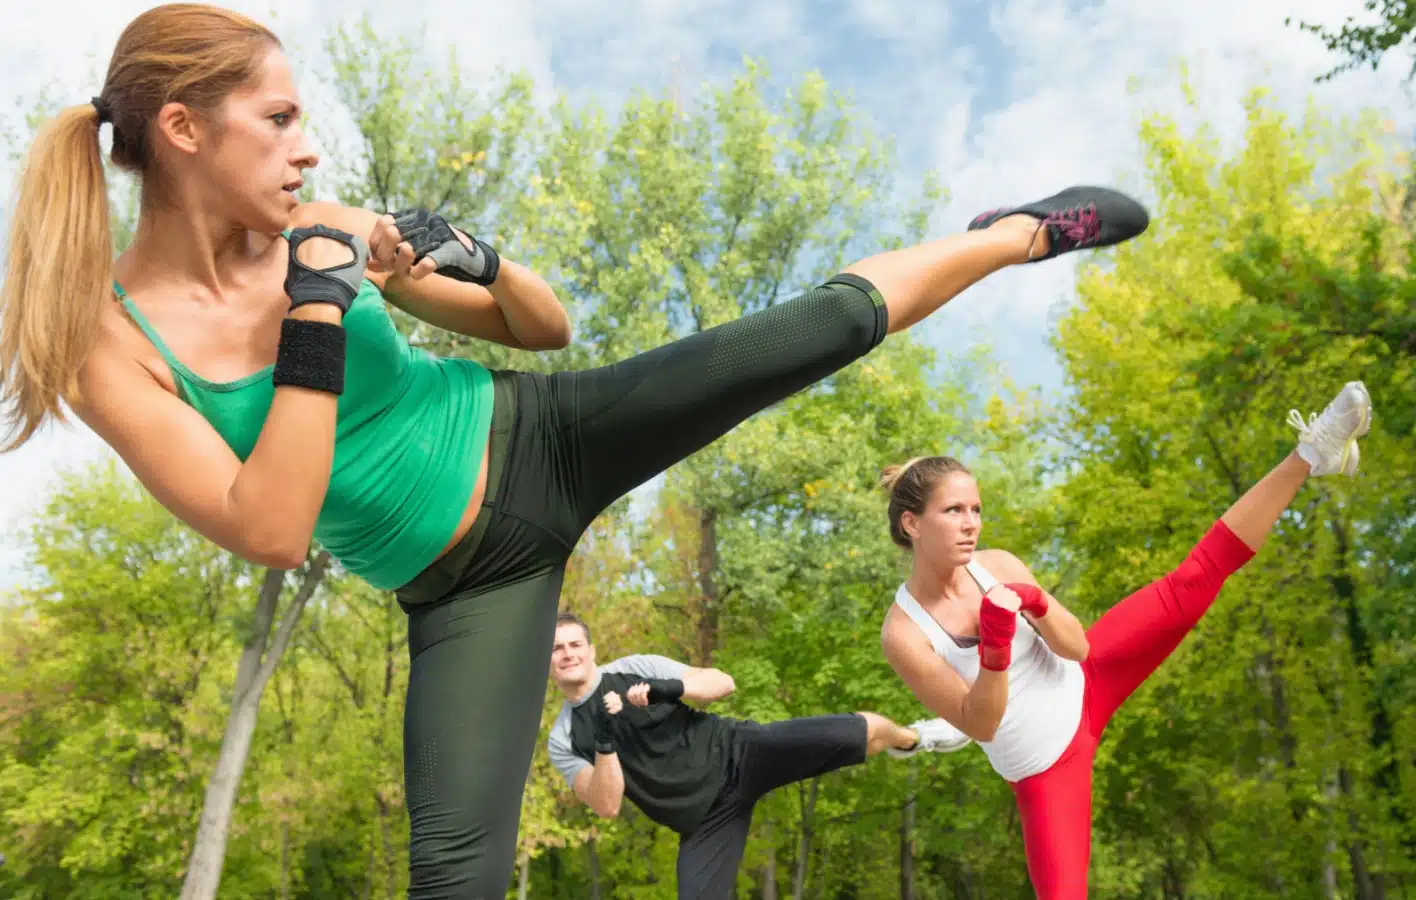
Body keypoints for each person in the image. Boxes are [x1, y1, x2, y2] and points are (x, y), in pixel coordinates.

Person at [0, 4, 1149, 895]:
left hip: (540, 437)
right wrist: (312, 314)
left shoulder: (328, 230)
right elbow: (269, 526)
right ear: (186, 130)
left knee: (816, 332)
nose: (307, 148)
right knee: (452, 878)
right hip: (464, 591)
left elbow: (544, 329)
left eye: (303, 119)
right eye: (280, 119)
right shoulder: (108, 342)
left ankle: (1013, 233)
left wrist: (475, 259)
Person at [878, 382, 1374, 899]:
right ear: (912, 523)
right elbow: (981, 722)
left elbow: (1078, 647)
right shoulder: (905, 631)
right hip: (1044, 768)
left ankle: (1314, 451)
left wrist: (1038, 602)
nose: (971, 525)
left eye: (976, 509)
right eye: (954, 511)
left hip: (1089, 679)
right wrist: (996, 648)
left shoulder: (996, 565)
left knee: (1195, 577)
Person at [546, 612, 969, 897]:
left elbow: (722, 683)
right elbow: (606, 804)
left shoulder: (636, 667)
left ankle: (915, 738)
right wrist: (605, 741)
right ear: (546, 662)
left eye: (574, 644)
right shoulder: (564, 738)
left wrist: (667, 690)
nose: (568, 654)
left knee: (864, 731)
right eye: (556, 649)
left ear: (591, 649)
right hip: (705, 822)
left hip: (739, 754)